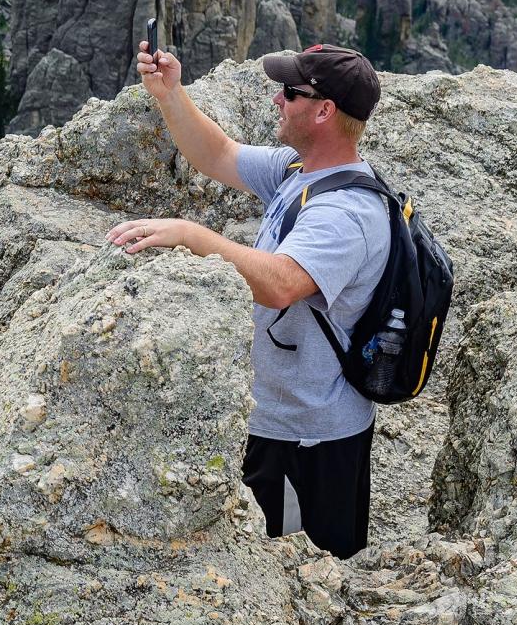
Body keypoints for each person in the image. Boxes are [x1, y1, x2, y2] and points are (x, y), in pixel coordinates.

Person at [108, 41, 390, 559]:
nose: (277, 100)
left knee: (303, 576)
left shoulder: (347, 214)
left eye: (290, 92)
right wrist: (170, 94)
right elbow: (217, 153)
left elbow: (282, 282)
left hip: (309, 440)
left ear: (324, 111)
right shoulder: (297, 170)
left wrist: (195, 237)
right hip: (278, 420)